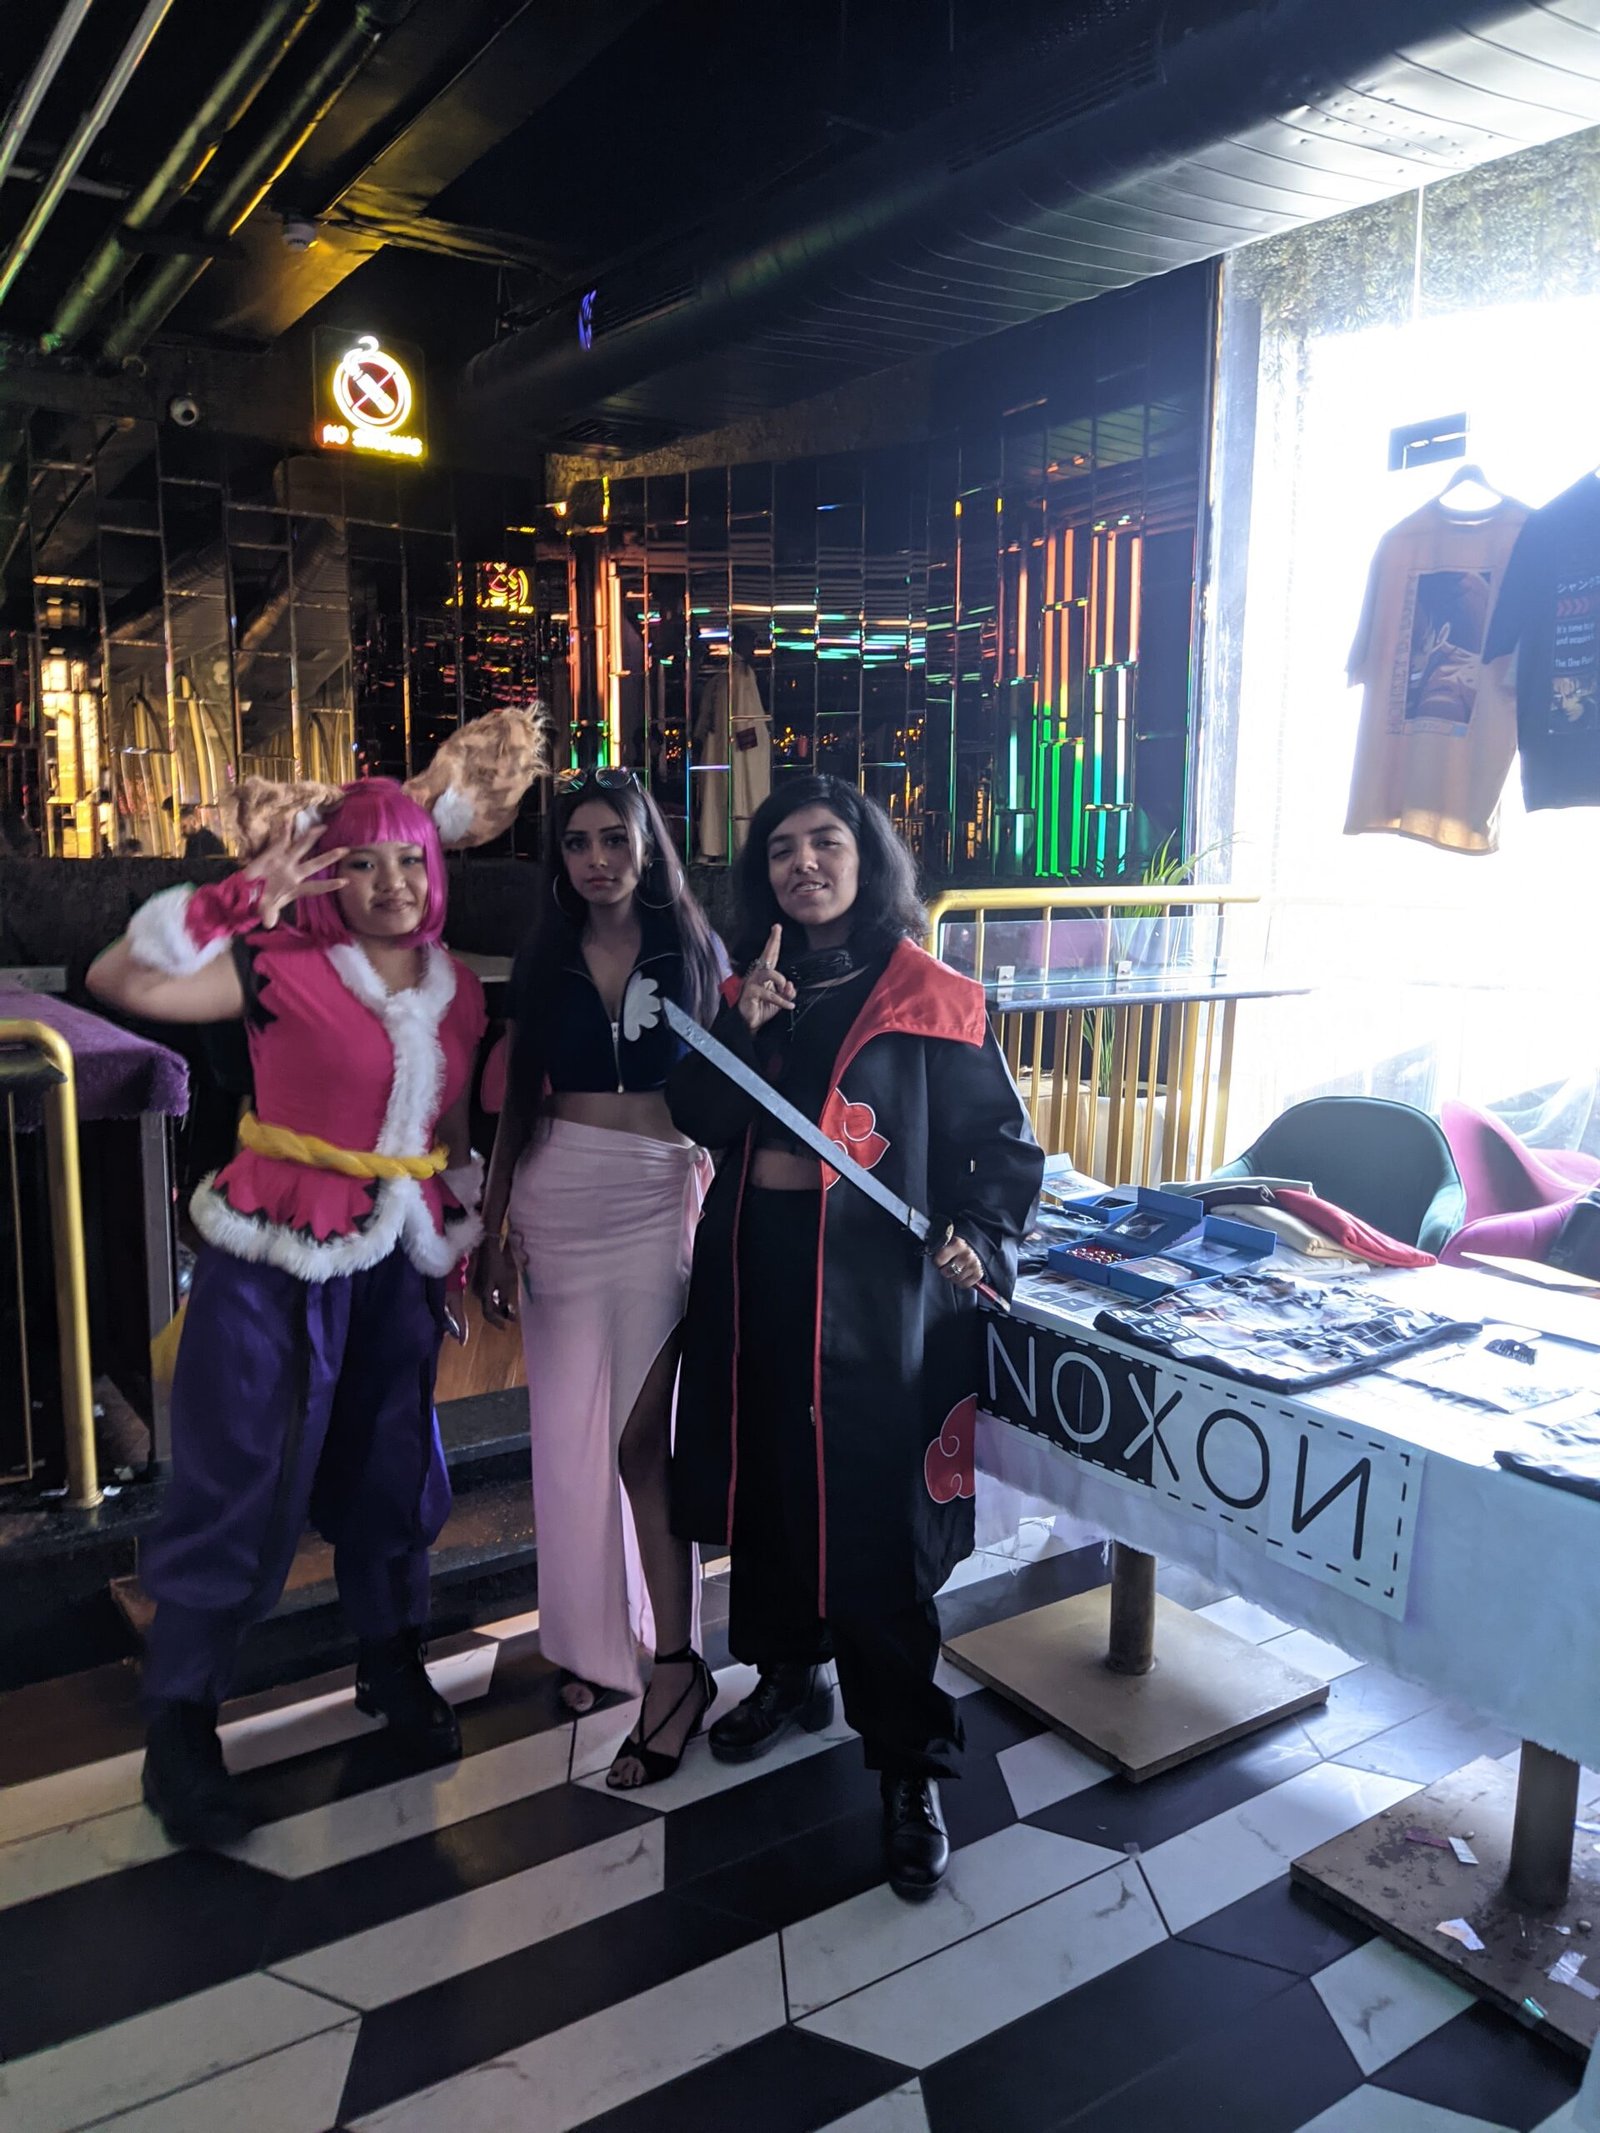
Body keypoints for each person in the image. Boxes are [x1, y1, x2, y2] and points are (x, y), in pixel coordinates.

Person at [87, 774, 497, 1848]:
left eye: (409, 859)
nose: (392, 882)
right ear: (328, 876)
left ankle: (390, 1660)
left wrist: (460, 1239)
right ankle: (181, 1725)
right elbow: (118, 975)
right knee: (241, 1474)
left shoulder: (459, 986)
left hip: (399, 1259)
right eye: (362, 862)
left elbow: (448, 1127)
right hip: (275, 1255)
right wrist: (235, 898)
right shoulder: (275, 963)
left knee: (395, 1465)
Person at [667, 775, 1043, 1898]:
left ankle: (907, 1764)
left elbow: (1001, 1148)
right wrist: (742, 1024)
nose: (804, 863)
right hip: (757, 1276)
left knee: (875, 1519)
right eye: (782, 848)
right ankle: (790, 1675)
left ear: (865, 857)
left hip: (876, 1297)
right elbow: (700, 1120)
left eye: (826, 842)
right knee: (775, 1488)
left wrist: (982, 1233)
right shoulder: (753, 985)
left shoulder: (930, 995)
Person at [474, 768, 725, 1788]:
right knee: (569, 1444)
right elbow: (514, 1106)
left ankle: (678, 1662)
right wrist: (493, 1227)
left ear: (646, 846)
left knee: (636, 1444)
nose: (597, 859)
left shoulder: (693, 950)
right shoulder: (544, 958)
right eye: (577, 843)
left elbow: (729, 1089)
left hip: (657, 1196)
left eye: (614, 838)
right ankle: (590, 1642)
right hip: (556, 1197)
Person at [693, 622, 771, 860]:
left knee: (718, 795)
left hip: (720, 748)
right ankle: (740, 843)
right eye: (751, 643)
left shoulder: (722, 676)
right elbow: (745, 718)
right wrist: (753, 748)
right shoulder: (742, 674)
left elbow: (706, 721)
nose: (753, 650)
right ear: (740, 643)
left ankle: (715, 845)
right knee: (742, 792)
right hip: (740, 750)